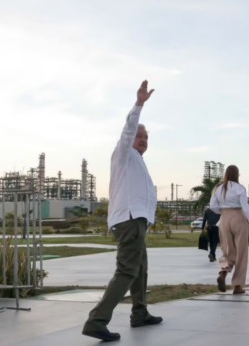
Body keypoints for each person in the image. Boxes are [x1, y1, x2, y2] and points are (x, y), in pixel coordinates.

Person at [82, 81, 161, 342]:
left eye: (146, 138)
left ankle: (140, 313)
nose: (143, 140)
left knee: (141, 268)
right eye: (140, 137)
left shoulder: (138, 162)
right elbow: (128, 131)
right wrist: (139, 104)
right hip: (128, 221)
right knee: (127, 271)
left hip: (137, 221)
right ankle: (97, 321)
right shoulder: (123, 154)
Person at [210, 165, 249, 295]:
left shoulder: (218, 188)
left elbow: (212, 206)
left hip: (224, 219)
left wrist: (223, 211)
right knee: (241, 253)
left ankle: (222, 274)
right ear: (237, 175)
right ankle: (237, 286)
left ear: (226, 174)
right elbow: (245, 208)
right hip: (238, 218)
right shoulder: (240, 188)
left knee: (227, 250)